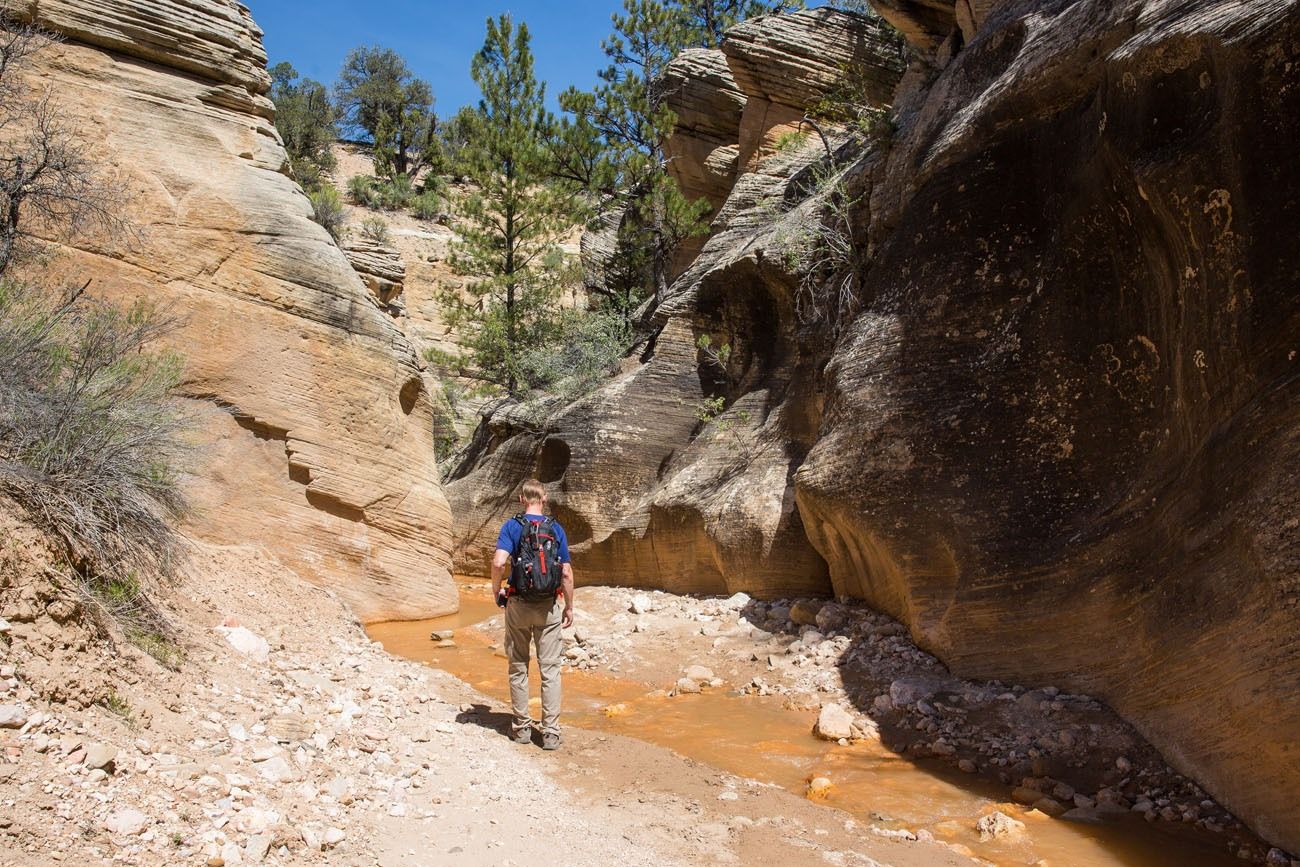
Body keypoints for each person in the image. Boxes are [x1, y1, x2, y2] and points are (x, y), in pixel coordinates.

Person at [491, 478, 574, 750]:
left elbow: (499, 561)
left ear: (521, 499)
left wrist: (496, 591)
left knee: (518, 666)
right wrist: (570, 606)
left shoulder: (512, 526)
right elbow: (566, 573)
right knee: (550, 670)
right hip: (549, 606)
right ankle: (550, 733)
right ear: (544, 498)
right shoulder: (556, 528)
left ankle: (522, 729)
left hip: (518, 603)